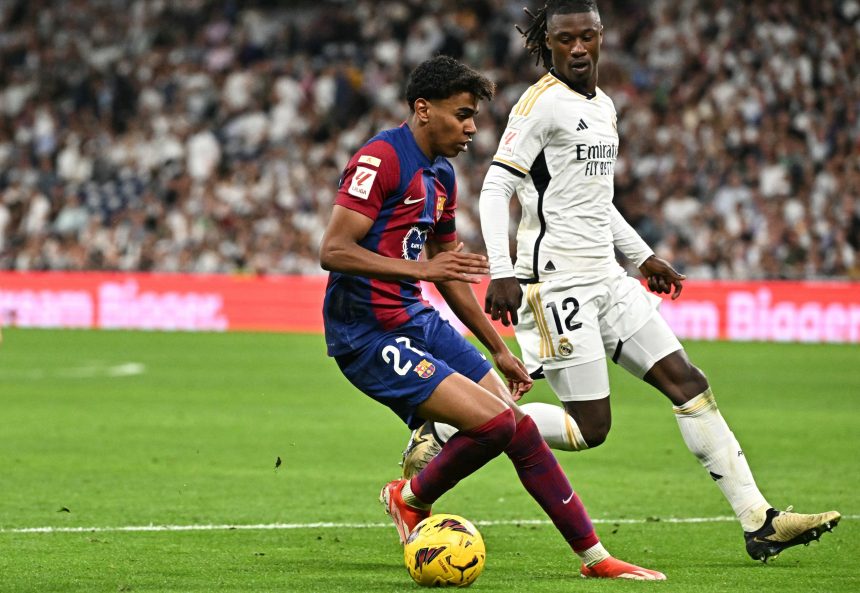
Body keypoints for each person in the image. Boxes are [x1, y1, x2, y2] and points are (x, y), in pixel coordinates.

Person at [401, 1, 841, 564]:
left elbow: (594, 201)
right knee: (590, 428)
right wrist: (504, 271)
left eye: (587, 36)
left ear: (601, 35)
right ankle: (447, 427)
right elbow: (495, 188)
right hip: (556, 283)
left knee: (689, 383)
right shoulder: (539, 105)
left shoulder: (604, 107)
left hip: (606, 277)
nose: (578, 48)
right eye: (565, 39)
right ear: (548, 43)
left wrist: (642, 257)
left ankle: (760, 521)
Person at [319, 54, 666, 580]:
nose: (471, 128)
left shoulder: (441, 175)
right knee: (496, 423)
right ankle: (409, 497)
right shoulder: (381, 158)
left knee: (518, 426)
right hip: (365, 334)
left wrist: (498, 348)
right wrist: (422, 268)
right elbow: (334, 250)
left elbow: (449, 272)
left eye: (473, 117)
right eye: (462, 115)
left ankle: (595, 558)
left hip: (414, 318)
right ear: (422, 109)